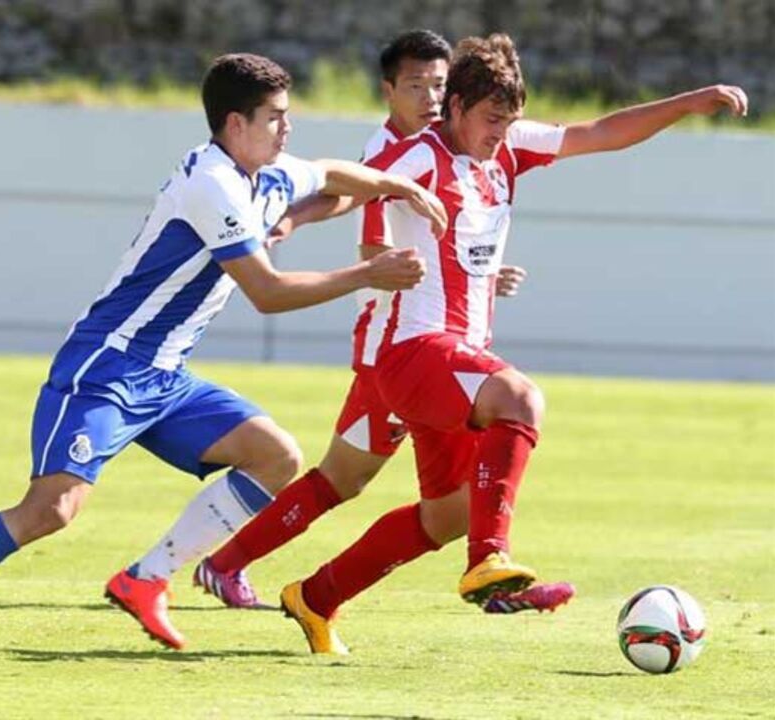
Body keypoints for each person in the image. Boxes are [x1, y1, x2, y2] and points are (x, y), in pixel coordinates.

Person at [0, 52, 449, 659]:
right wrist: (368, 273)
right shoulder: (211, 184)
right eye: (275, 118)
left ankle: (145, 578)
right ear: (235, 125)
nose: (286, 129)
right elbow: (267, 293)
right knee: (50, 510)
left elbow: (327, 173)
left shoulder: (265, 171)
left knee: (274, 457)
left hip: (164, 377)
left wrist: (396, 183)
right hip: (107, 366)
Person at [277, 33, 748, 653]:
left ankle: (315, 598)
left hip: (458, 361)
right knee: (521, 398)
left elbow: (601, 132)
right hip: (413, 353)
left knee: (445, 516)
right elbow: (350, 190)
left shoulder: (509, 149)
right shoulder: (418, 156)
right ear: (456, 108)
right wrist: (286, 217)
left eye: (509, 119)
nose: (502, 131)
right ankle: (490, 561)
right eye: (491, 119)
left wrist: (687, 103)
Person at [191, 29, 558, 616]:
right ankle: (232, 564)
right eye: (418, 85)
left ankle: (233, 565)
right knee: (348, 479)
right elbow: (367, 237)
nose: (431, 96)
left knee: (366, 483)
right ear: (390, 90)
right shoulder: (396, 150)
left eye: (440, 84)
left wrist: (485, 274)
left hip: (426, 344)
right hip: (398, 347)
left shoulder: (451, 152)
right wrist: (293, 221)